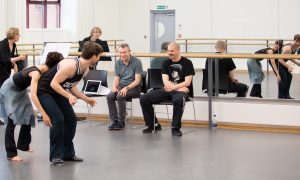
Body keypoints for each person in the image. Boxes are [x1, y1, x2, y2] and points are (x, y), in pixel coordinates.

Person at [37, 42, 103, 165]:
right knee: (58, 119)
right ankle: (55, 155)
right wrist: (69, 96)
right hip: (44, 91)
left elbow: (71, 86)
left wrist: (86, 99)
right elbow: (53, 84)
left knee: (71, 119)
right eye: (99, 56)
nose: (99, 58)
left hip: (58, 92)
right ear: (94, 56)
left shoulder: (85, 69)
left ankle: (67, 153)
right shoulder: (71, 66)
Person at [0, 52, 63, 162]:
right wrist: (44, 113)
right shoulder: (36, 73)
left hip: (19, 89)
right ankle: (11, 153)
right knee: (12, 120)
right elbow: (33, 95)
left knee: (29, 114)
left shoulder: (43, 68)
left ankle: (23, 145)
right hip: (9, 89)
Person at [140, 42, 195, 136]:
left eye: (172, 51)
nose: (169, 53)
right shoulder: (166, 63)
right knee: (144, 98)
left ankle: (175, 128)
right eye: (168, 51)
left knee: (179, 99)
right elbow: (165, 81)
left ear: (178, 50)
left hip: (180, 92)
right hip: (173, 89)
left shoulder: (187, 63)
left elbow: (187, 82)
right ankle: (154, 125)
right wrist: (176, 88)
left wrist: (174, 88)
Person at [106, 43, 143, 130]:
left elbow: (137, 81)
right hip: (121, 86)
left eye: (124, 52)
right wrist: (114, 87)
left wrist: (126, 88)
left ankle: (121, 122)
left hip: (134, 88)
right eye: (121, 53)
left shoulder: (137, 62)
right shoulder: (118, 63)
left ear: (129, 52)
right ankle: (114, 121)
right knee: (110, 96)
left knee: (120, 95)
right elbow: (116, 78)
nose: (122, 55)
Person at [0, 27, 27, 125]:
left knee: (4, 94)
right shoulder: (2, 44)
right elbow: (5, 60)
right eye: (18, 34)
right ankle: (6, 116)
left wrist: (14, 64)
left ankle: (6, 115)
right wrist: (19, 58)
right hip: (0, 72)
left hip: (5, 72)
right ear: (14, 35)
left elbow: (10, 59)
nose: (19, 36)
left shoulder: (14, 44)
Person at [277, 34, 300, 99]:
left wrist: (297, 63)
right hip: (278, 62)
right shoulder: (288, 48)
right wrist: (288, 66)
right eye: (297, 41)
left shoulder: (295, 48)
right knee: (283, 77)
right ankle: (281, 96)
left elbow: (289, 56)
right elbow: (280, 59)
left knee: (289, 76)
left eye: (299, 41)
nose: (298, 43)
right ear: (294, 40)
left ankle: (287, 95)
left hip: (283, 62)